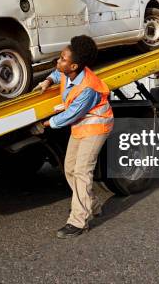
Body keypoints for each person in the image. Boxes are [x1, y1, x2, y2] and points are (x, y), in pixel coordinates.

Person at [33, 35, 114, 238]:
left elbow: (71, 114)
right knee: (69, 167)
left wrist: (47, 124)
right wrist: (47, 80)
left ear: (74, 65)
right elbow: (59, 75)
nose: (58, 62)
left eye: (62, 59)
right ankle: (92, 204)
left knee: (81, 171)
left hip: (96, 127)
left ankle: (78, 221)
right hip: (81, 127)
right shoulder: (70, 73)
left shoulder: (87, 87)